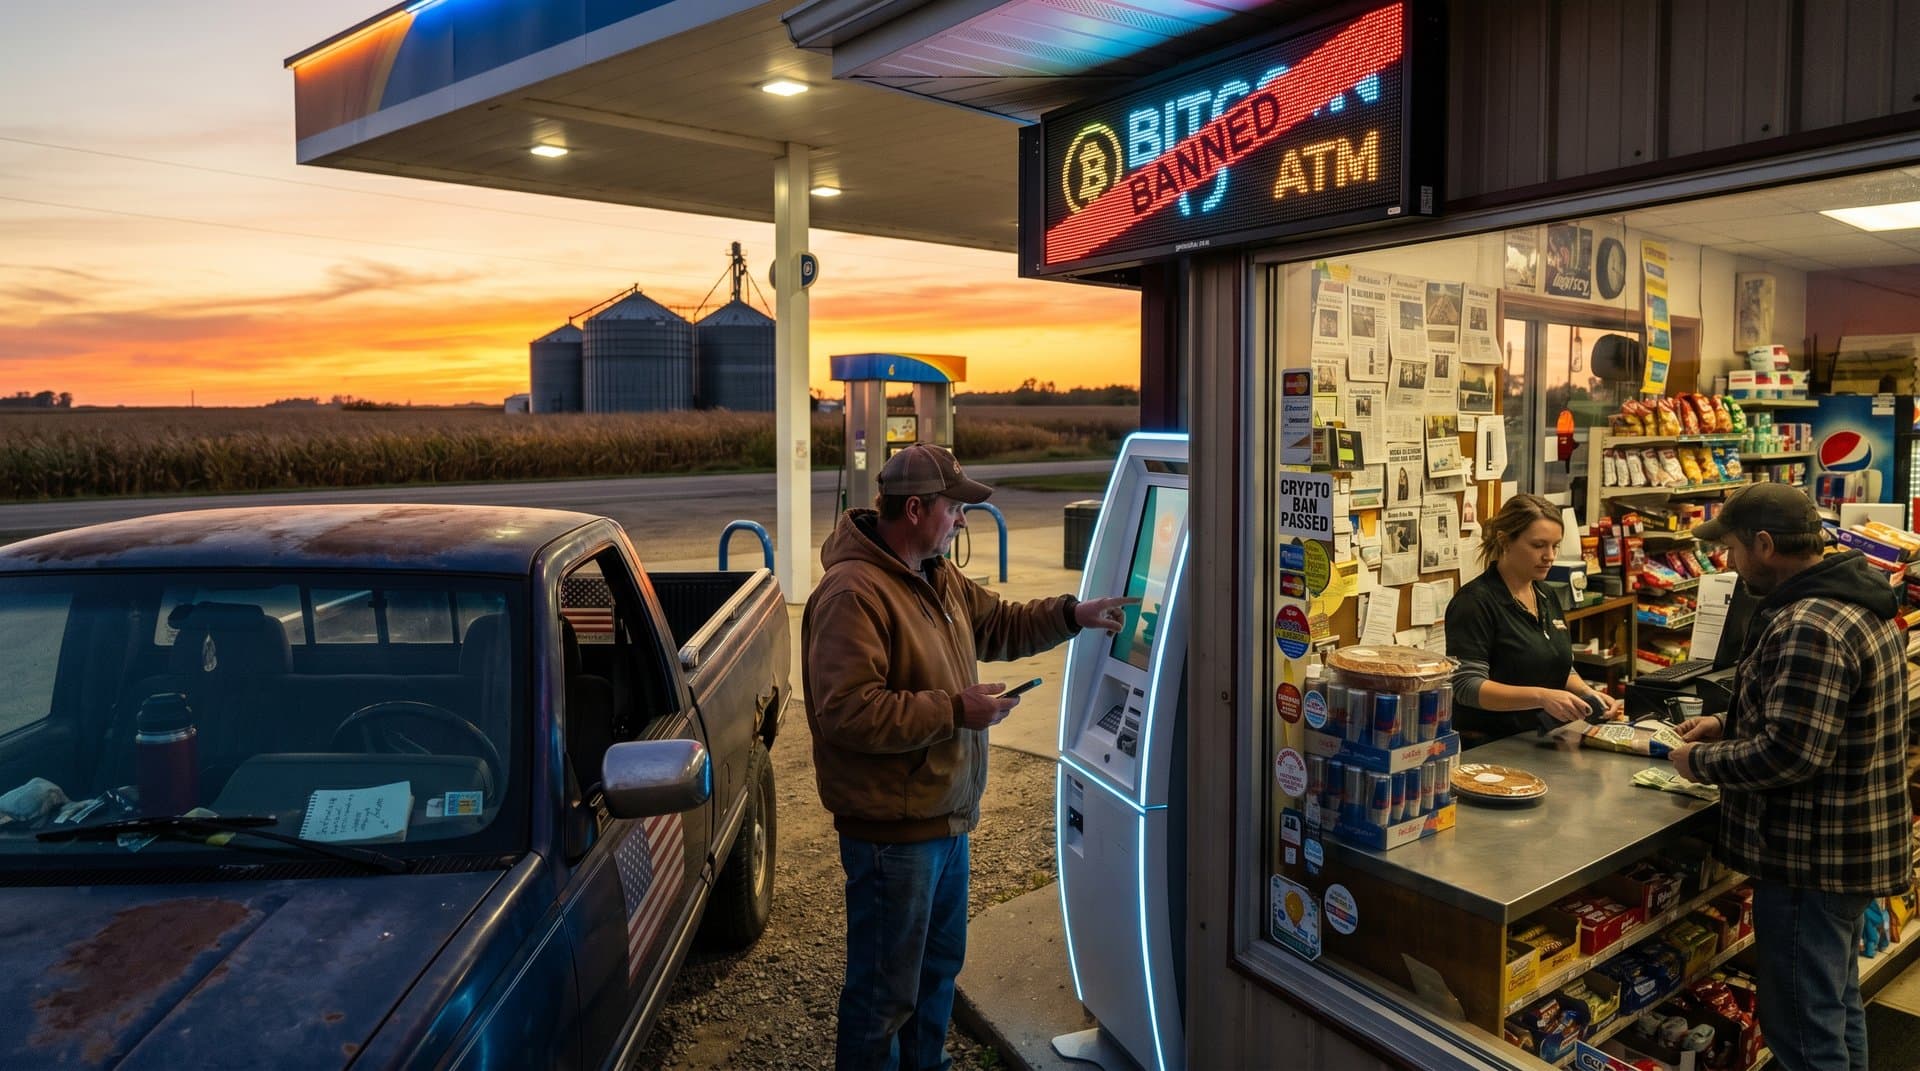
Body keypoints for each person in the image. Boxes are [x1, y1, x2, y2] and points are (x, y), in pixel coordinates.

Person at [802, 443, 1135, 1071]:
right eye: (955, 509)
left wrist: (1074, 614)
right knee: (883, 997)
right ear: (918, 508)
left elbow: (1000, 624)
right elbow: (847, 713)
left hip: (944, 820)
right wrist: (955, 711)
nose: (962, 521)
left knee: (935, 977)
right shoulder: (854, 593)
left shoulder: (935, 574)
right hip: (893, 836)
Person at [1668, 483, 1910, 1071]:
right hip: (1842, 850)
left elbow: (1790, 755)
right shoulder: (1851, 601)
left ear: (1766, 544)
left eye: (1731, 549)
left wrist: (1696, 762)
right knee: (1836, 1007)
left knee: (1802, 1031)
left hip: (1812, 857)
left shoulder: (1811, 622)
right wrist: (1728, 721)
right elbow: (1820, 712)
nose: (1727, 563)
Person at [1445, 493, 1621, 746]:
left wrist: (1586, 693)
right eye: (1538, 546)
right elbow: (1467, 686)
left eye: (1555, 545)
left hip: (1542, 740)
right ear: (1505, 541)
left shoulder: (1546, 594)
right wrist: (1541, 697)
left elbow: (1555, 662)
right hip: (1492, 747)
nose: (1550, 555)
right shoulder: (1475, 603)